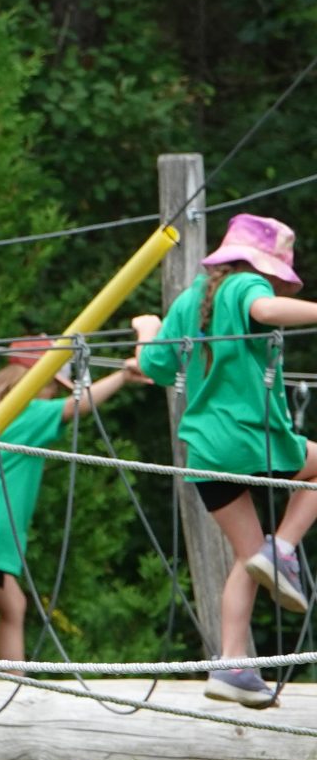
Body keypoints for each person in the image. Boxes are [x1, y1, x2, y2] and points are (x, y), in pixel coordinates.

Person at [135, 213, 317, 707]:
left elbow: (154, 365)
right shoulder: (245, 286)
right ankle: (283, 548)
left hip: (205, 451)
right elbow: (264, 308)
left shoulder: (190, 299)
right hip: (251, 439)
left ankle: (232, 666)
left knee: (247, 556)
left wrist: (147, 328)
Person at [0, 335, 150, 665]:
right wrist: (123, 377)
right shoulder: (26, 412)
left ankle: (16, 684)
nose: (54, 392)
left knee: (13, 604)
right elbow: (78, 405)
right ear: (28, 380)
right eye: (50, 384)